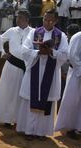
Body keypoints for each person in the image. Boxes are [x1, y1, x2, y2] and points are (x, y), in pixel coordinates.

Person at [16, 9, 68, 140]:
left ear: (55, 21)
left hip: (50, 72)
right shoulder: (34, 32)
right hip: (35, 68)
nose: (47, 22)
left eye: (50, 20)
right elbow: (24, 50)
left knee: (47, 100)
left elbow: (65, 55)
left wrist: (51, 52)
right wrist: (37, 52)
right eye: (45, 19)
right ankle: (28, 130)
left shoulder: (61, 36)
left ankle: (41, 132)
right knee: (30, 99)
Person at [0, 10, 33, 127]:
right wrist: (2, 53)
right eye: (17, 17)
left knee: (22, 94)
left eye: (21, 18)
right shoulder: (11, 31)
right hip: (11, 65)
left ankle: (19, 119)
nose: (18, 19)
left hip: (27, 67)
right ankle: (7, 118)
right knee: (9, 92)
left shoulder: (34, 32)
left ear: (27, 20)